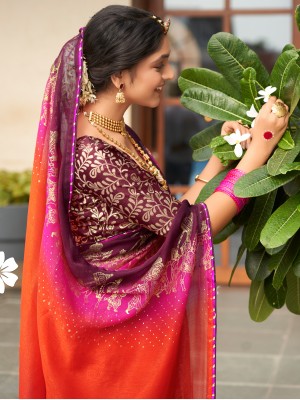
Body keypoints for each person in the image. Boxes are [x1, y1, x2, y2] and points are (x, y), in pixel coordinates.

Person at [19, 5, 289, 399]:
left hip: (119, 327)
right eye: (159, 65)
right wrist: (261, 149)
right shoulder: (94, 154)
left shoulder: (114, 133)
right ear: (119, 75)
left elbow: (173, 220)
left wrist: (219, 160)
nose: (169, 76)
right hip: (107, 338)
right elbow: (198, 227)